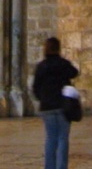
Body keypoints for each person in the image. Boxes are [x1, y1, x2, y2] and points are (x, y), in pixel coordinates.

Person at [32, 36, 79, 169]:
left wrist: (43, 98)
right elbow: (74, 72)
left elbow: (35, 87)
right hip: (63, 106)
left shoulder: (41, 66)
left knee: (51, 138)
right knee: (62, 138)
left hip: (47, 107)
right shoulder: (63, 64)